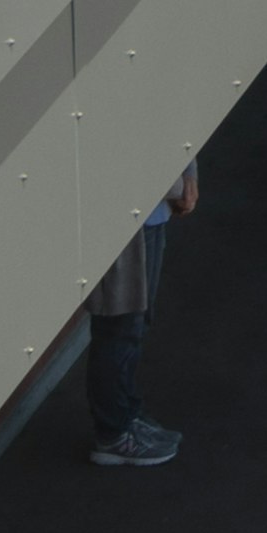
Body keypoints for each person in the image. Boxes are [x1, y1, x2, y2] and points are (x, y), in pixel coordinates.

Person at [87, 159, 199, 470]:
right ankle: (113, 434)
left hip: (152, 212)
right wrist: (181, 184)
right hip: (127, 216)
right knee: (119, 327)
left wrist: (186, 176)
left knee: (133, 324)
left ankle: (125, 416)